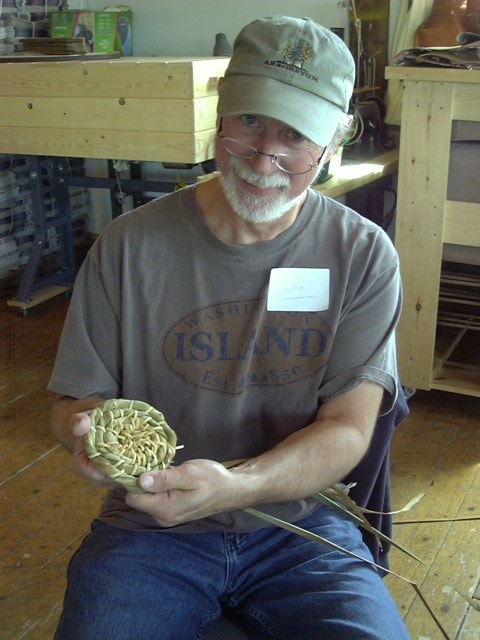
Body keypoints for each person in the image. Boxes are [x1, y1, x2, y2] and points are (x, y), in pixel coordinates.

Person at [49, 15, 410, 640]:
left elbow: (348, 430)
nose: (264, 157)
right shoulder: (127, 246)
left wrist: (236, 486)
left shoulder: (362, 254)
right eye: (249, 121)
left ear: (333, 141)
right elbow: (75, 401)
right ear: (221, 110)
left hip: (304, 526)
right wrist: (84, 435)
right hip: (152, 526)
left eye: (294, 135)